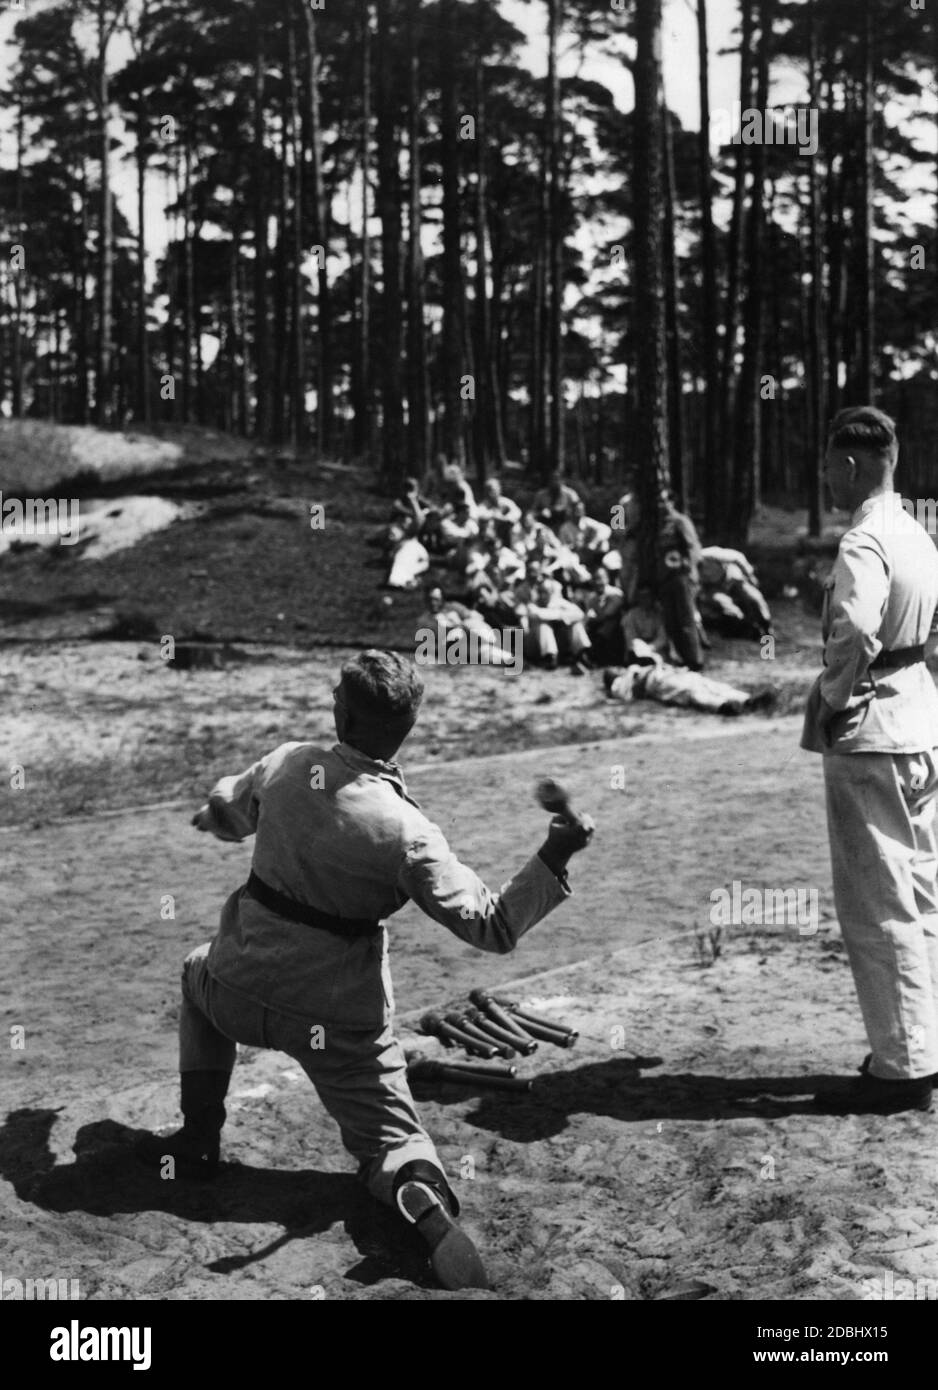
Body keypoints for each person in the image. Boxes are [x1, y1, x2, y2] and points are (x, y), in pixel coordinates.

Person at [136, 651, 594, 1289]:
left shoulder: (288, 763)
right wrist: (556, 850)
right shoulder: (408, 832)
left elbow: (229, 811)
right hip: (339, 1022)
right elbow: (493, 927)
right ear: (408, 726)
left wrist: (213, 813)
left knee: (194, 975)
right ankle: (422, 1203)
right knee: (394, 1145)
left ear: (339, 709)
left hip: (235, 988)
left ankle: (199, 1136)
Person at [802, 407, 938, 1115]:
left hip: (873, 728)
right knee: (921, 894)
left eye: (828, 464)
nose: (824, 476)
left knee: (875, 902)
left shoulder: (864, 538)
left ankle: (901, 1066)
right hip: (921, 720)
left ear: (852, 466)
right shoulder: (916, 531)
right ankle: (924, 1043)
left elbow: (853, 631)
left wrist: (831, 698)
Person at [603, 662, 775, 715]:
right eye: (614, 670)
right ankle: (722, 706)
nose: (618, 669)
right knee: (689, 692)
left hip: (669, 672)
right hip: (656, 682)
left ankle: (747, 700)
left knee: (708, 683)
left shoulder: (632, 668)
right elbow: (629, 695)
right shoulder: (619, 684)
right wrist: (636, 678)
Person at [655, 494, 705, 671]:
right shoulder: (659, 525)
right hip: (665, 576)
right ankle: (681, 658)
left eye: (664, 501)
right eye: (659, 502)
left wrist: (688, 567)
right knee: (671, 620)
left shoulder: (680, 522)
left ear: (672, 502)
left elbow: (693, 547)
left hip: (681, 575)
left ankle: (695, 659)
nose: (661, 505)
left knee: (685, 618)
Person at [698, 545, 773, 639]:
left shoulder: (709, 554)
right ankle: (748, 627)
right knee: (724, 605)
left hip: (732, 578)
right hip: (713, 588)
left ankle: (766, 625)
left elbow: (737, 557)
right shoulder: (686, 568)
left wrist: (749, 575)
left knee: (753, 598)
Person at [621, 585, 671, 666]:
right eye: (642, 596)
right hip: (638, 649)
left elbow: (662, 637)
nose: (645, 600)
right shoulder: (631, 615)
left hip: (655, 649)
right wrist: (641, 648)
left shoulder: (659, 614)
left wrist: (650, 647)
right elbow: (630, 637)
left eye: (647, 596)